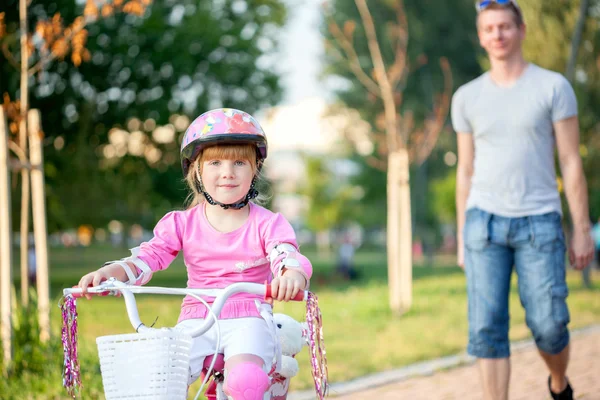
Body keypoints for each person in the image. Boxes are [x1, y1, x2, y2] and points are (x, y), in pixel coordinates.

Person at [77, 108, 312, 400]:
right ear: (197, 170)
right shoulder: (181, 223)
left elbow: (285, 253)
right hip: (197, 318)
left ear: (255, 169)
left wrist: (292, 274)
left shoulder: (268, 224)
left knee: (245, 381)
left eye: (240, 162)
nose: (227, 172)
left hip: (250, 318)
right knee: (158, 378)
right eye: (215, 162)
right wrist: (110, 274)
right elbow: (149, 257)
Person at [452, 1, 595, 399]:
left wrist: (581, 229)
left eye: (504, 26)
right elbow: (465, 170)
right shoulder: (467, 96)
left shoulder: (553, 87)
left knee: (549, 325)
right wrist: (463, 232)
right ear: (481, 36)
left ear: (521, 30)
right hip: (483, 222)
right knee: (486, 328)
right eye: (489, 28)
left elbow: (570, 160)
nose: (497, 34)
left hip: (540, 220)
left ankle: (558, 382)